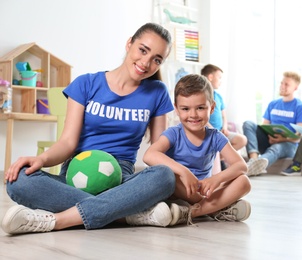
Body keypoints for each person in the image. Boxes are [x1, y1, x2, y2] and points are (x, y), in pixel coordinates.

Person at [1, 23, 177, 235]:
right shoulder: (86, 83)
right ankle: (127, 214)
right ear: (129, 43)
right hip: (76, 175)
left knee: (165, 176)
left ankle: (56, 220)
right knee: (18, 180)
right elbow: (67, 143)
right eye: (143, 50)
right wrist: (42, 159)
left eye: (157, 59)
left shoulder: (157, 92)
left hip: (121, 180)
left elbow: (157, 153)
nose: (146, 62)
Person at [143, 74, 251, 226]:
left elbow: (241, 166)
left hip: (203, 191)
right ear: (177, 109)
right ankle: (217, 209)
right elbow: (149, 155)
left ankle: (194, 212)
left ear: (212, 108)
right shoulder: (174, 133)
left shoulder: (215, 136)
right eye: (185, 109)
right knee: (169, 176)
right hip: (179, 190)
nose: (193, 115)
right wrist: (184, 172)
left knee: (244, 182)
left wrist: (216, 179)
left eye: (200, 108)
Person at [242, 71, 302, 176]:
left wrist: (282, 139)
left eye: (287, 84)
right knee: (248, 124)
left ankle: (257, 166)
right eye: (282, 83)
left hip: (289, 145)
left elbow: (298, 137)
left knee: (276, 148)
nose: (282, 86)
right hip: (270, 140)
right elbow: (264, 126)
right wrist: (270, 137)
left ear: (295, 88)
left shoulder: (301, 107)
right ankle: (253, 160)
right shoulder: (273, 104)